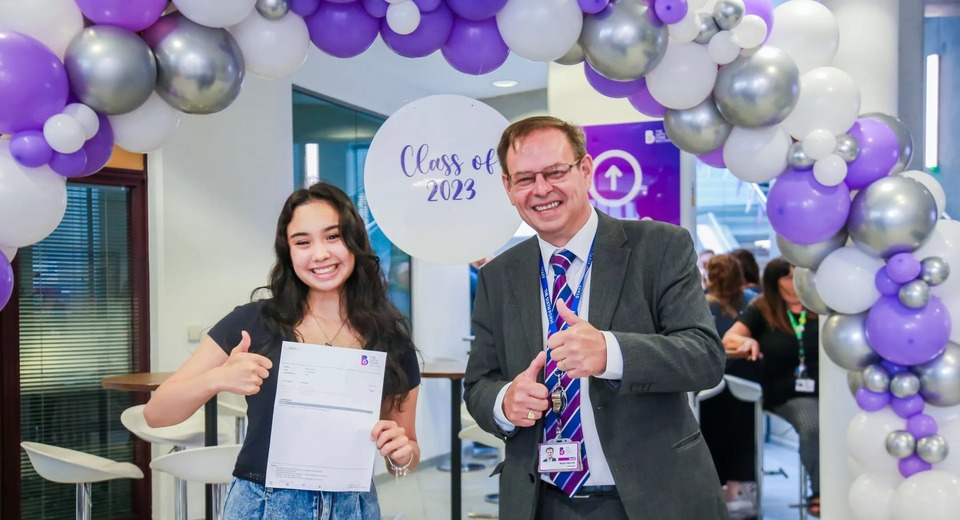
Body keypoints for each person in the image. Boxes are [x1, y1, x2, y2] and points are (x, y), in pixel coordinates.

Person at [464, 116, 727, 520]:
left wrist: (612, 352)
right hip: (541, 501)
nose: (541, 189)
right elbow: (479, 383)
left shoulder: (659, 247)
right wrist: (504, 402)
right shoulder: (498, 276)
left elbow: (705, 357)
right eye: (525, 178)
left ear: (585, 170)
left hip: (654, 496)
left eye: (555, 172)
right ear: (508, 188)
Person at [143, 183, 421, 519]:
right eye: (302, 242)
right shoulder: (252, 322)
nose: (320, 254)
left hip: (353, 506)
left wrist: (401, 455)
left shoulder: (390, 338)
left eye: (333, 236)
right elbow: (156, 414)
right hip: (264, 505)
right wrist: (217, 378)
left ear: (355, 243)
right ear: (288, 253)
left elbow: (407, 450)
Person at [722, 257, 820, 517]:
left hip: (828, 391)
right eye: (788, 275)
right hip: (787, 393)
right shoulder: (762, 309)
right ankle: (820, 492)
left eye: (799, 273)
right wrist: (744, 343)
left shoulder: (819, 306)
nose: (796, 280)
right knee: (814, 425)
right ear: (775, 282)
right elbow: (729, 338)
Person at [698, 254, 762, 516]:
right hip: (749, 382)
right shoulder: (752, 305)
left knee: (709, 432)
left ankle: (715, 490)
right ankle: (739, 489)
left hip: (710, 386)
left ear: (709, 276)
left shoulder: (700, 306)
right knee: (746, 433)